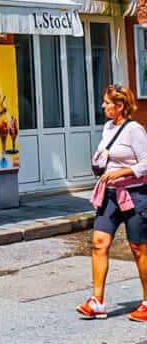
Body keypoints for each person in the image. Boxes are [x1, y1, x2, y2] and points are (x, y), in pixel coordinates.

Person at [77, 84, 147, 322]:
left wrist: (122, 172)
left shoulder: (135, 130)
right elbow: (106, 153)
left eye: (107, 103)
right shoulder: (108, 127)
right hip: (108, 195)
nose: (103, 106)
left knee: (139, 249)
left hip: (134, 195)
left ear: (120, 106)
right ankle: (97, 302)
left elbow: (146, 162)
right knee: (99, 243)